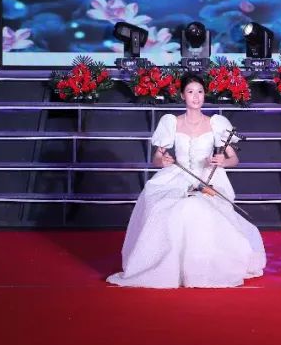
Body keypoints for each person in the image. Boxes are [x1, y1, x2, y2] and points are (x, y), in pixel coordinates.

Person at [107, 73, 266, 288]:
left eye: (200, 92)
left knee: (194, 206)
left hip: (208, 177)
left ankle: (202, 268)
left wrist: (222, 161)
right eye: (191, 92)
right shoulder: (171, 122)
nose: (196, 96)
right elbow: (157, 158)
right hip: (177, 177)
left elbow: (234, 159)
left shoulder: (216, 123)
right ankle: (169, 267)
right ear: (183, 95)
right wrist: (163, 160)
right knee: (165, 207)